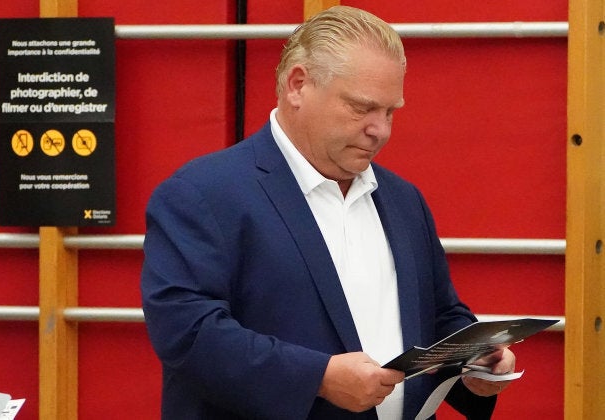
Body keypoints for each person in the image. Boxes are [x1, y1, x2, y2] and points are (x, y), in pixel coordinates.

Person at [141, 5, 516, 419]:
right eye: (361, 108)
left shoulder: (403, 199)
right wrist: (317, 377)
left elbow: (440, 313)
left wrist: (476, 364)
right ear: (298, 85)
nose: (381, 130)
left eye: (390, 111)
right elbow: (188, 334)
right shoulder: (202, 193)